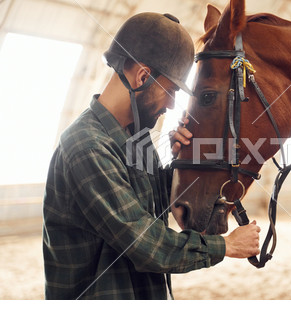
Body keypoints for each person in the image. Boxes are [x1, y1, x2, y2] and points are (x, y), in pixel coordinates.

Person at [42, 12, 260, 300]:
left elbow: (154, 205)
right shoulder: (86, 146)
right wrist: (227, 246)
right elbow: (146, 244)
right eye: (170, 91)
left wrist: (178, 160)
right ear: (143, 76)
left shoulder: (136, 139)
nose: (171, 105)